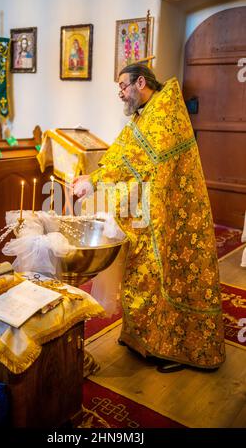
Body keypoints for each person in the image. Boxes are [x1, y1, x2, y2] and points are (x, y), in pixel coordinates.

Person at [73, 62, 226, 372]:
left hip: (170, 215)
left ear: (141, 82)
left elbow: (138, 160)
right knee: (141, 273)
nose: (120, 93)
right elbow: (123, 150)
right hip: (149, 209)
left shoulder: (164, 113)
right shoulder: (148, 113)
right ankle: (142, 338)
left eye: (123, 86)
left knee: (162, 275)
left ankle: (171, 347)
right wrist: (95, 174)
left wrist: (97, 181)